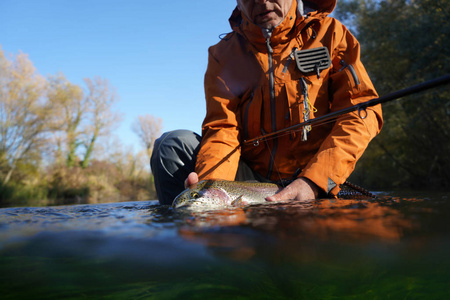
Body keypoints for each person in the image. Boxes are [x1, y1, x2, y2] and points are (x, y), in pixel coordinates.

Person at [151, 0, 383, 205]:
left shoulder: (332, 35)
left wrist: (315, 181)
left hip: (314, 174)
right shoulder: (223, 55)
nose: (261, 1)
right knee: (170, 146)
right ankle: (203, 240)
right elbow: (223, 129)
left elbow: (362, 113)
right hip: (251, 180)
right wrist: (213, 188)